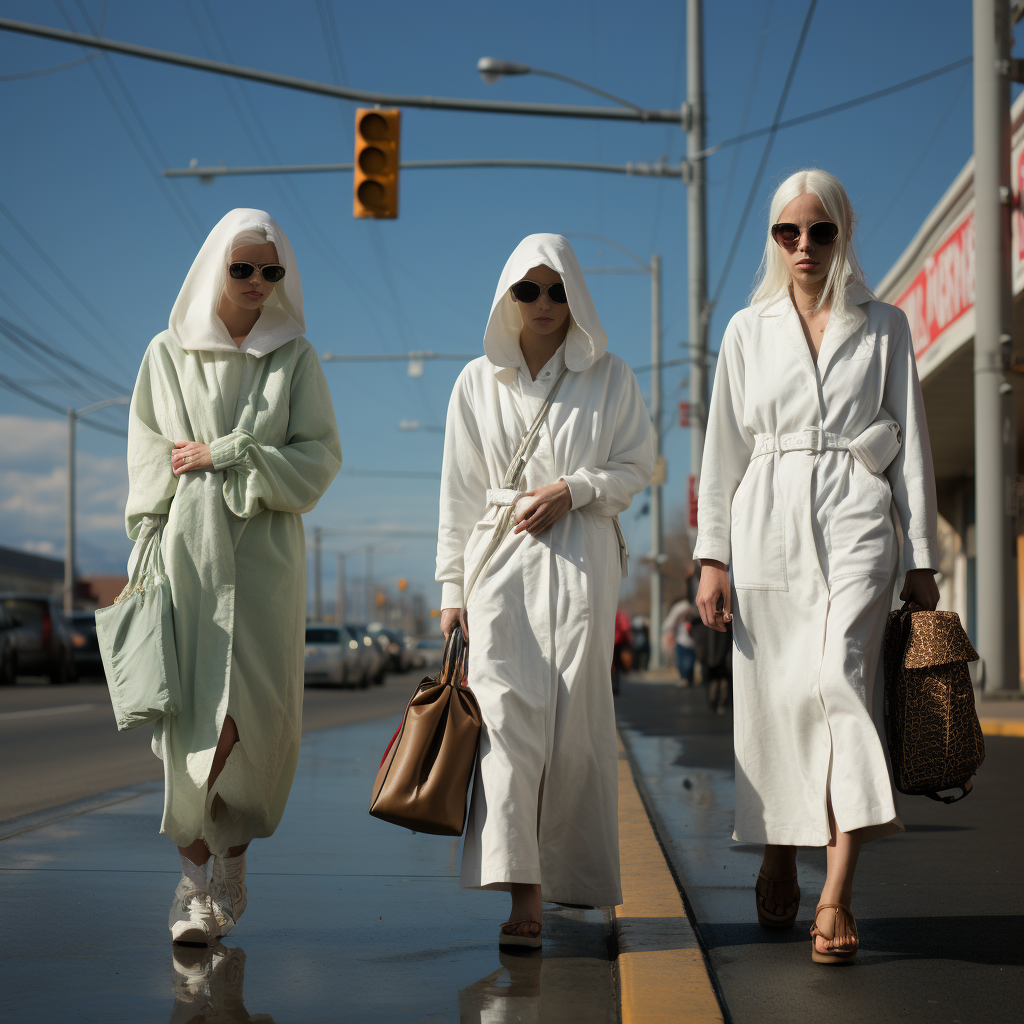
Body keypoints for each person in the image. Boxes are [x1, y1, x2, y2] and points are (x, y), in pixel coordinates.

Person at [693, 169, 938, 964]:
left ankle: (836, 891)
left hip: (859, 513)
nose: (805, 245)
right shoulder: (745, 329)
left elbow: (915, 448)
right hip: (765, 513)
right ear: (773, 238)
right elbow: (722, 449)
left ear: (844, 233)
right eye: (789, 232)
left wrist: (923, 557)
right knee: (778, 699)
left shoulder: (886, 325)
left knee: (840, 680)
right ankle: (775, 846)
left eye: (821, 230)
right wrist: (712, 555)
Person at [125, 208, 342, 945]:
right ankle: (191, 890)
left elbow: (319, 459)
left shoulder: (296, 359)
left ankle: (235, 862)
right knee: (191, 726)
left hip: (265, 572)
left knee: (253, 728)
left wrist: (231, 456)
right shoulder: (166, 353)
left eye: (270, 271)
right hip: (186, 561)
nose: (256, 283)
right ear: (216, 267)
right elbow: (150, 454)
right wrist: (144, 548)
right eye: (243, 268)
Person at [436, 234, 654, 948]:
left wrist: (575, 488)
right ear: (507, 297)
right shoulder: (475, 381)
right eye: (527, 290)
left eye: (557, 290)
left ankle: (572, 881)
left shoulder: (612, 376)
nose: (543, 304)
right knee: (505, 726)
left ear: (576, 296)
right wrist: (451, 587)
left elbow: (638, 468)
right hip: (499, 560)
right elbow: (460, 492)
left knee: (576, 729)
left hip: (584, 561)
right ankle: (523, 893)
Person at [662, 594, 698, 686]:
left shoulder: (689, 612)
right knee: (683, 662)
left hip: (690, 642)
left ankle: (688, 679)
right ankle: (685, 678)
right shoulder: (682, 612)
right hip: (681, 641)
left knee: (688, 662)